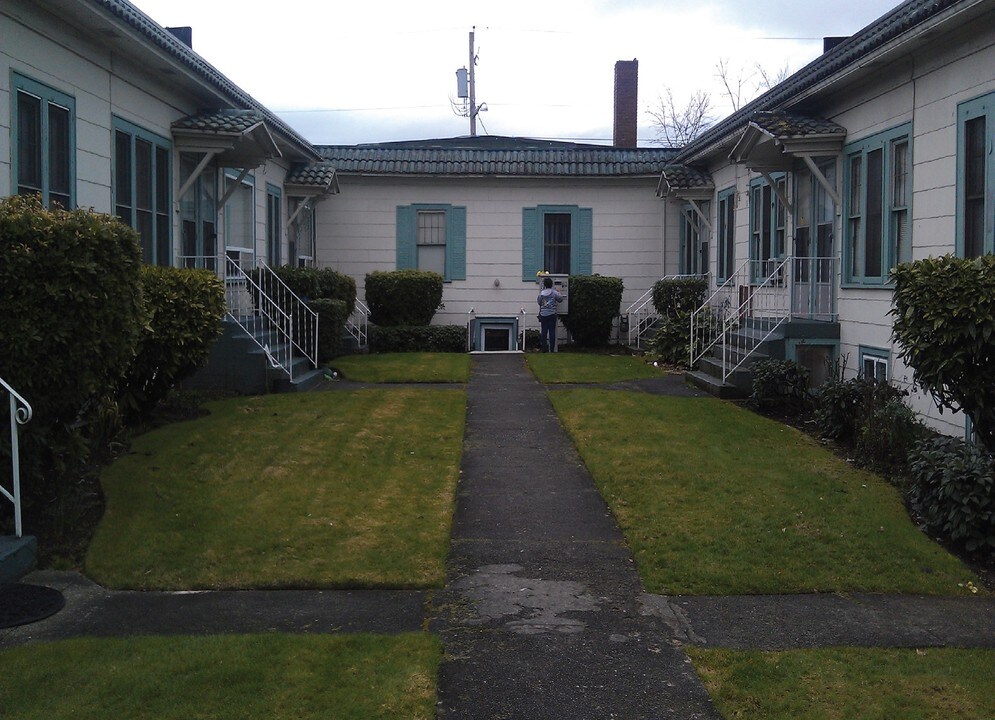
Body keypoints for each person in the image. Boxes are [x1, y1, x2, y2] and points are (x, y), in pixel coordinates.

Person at [537, 276, 563, 352]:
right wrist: (559, 292)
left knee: (544, 331)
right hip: (552, 314)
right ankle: (552, 349)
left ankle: (544, 349)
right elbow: (560, 299)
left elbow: (539, 302)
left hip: (543, 314)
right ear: (551, 284)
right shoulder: (554, 292)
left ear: (544, 284)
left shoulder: (541, 293)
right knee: (552, 331)